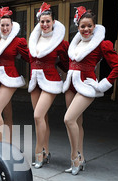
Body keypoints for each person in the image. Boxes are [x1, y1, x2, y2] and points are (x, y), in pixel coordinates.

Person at [63, 7, 118, 175]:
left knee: (68, 119)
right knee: (76, 123)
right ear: (78, 27)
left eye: (89, 26)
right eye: (83, 26)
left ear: (94, 26)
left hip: (87, 85)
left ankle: (75, 157)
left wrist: (102, 85)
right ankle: (81, 159)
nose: (86, 29)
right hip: (70, 85)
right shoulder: (75, 43)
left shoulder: (101, 43)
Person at [28, 3, 69, 169]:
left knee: (38, 116)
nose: (45, 24)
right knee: (42, 119)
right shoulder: (34, 39)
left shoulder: (60, 42)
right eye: (42, 21)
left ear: (53, 22)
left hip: (50, 80)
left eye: (48, 21)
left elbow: (68, 62)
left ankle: (38, 152)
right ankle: (46, 152)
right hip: (35, 81)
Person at [0, 7, 29, 143]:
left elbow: (30, 57)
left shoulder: (18, 41)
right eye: (3, 25)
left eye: (8, 25)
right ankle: (9, 144)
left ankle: (1, 146)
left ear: (12, 25)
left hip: (10, 77)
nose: (5, 28)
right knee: (7, 114)